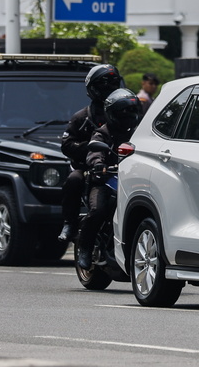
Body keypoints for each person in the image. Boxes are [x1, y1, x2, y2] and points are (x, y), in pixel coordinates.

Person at [77, 88, 142, 270]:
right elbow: (94, 151)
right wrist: (98, 163)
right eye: (123, 112)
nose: (128, 115)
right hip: (105, 181)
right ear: (112, 113)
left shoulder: (138, 133)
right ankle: (85, 247)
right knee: (98, 211)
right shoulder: (102, 133)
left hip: (130, 181)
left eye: (131, 111)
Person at [57, 64, 124, 243]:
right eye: (104, 85)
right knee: (74, 180)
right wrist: (93, 149)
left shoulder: (125, 113)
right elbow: (67, 144)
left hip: (121, 168)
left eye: (113, 84)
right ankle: (70, 223)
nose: (109, 89)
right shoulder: (82, 117)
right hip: (90, 170)